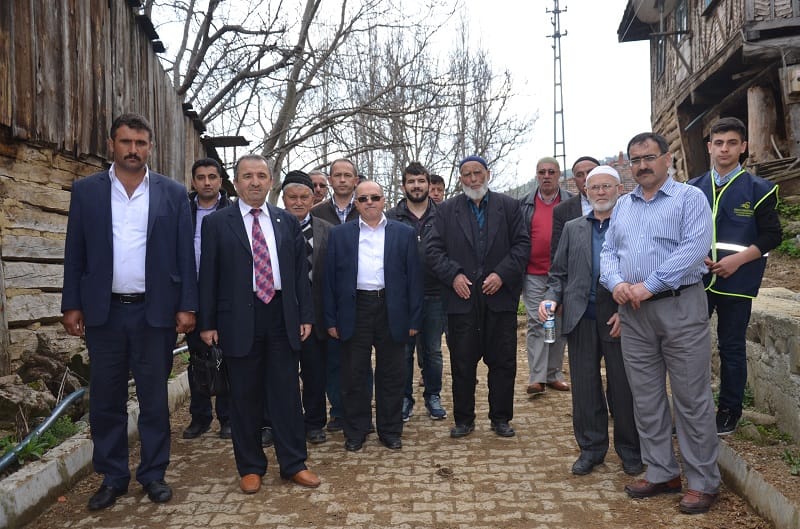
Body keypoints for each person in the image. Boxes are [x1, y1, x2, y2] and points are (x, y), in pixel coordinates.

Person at [61, 113, 197, 510]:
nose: (133, 150)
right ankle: (113, 476)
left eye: (140, 143)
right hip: (104, 313)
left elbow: (185, 254)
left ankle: (153, 474)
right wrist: (71, 303)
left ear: (150, 147)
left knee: (154, 398)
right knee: (106, 399)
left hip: (155, 313)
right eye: (126, 142)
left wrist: (187, 305)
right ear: (112, 145)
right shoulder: (87, 191)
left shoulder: (172, 193)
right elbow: (75, 250)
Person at [600, 132, 720, 515]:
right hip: (634, 315)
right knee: (646, 397)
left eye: (649, 157)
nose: (642, 165)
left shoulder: (690, 198)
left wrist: (648, 286)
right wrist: (616, 283)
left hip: (679, 306)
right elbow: (608, 251)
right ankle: (662, 471)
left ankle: (703, 481)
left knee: (691, 398)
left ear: (667, 159)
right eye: (635, 160)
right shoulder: (623, 205)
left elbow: (694, 250)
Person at [198, 154, 320, 493]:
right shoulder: (217, 223)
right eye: (248, 176)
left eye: (261, 176)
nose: (255, 182)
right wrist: (207, 323)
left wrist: (305, 315)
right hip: (238, 317)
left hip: (281, 315)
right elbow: (208, 276)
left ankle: (294, 463)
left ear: (270, 181)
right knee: (244, 396)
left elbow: (299, 275)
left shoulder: (286, 221)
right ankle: (251, 467)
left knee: (286, 395)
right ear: (236, 182)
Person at [540, 165, 641, 477]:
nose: (600, 192)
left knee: (623, 389)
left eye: (606, 186)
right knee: (585, 389)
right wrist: (551, 298)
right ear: (585, 191)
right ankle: (591, 449)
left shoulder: (631, 225)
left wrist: (627, 312)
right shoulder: (573, 228)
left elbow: (641, 271)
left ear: (620, 190)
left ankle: (630, 451)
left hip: (618, 317)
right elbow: (558, 273)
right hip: (580, 317)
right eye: (594, 187)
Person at [688, 117, 782, 436]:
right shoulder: (692, 188)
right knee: (690, 348)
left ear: (743, 147)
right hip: (696, 281)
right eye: (718, 143)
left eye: (731, 143)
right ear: (709, 147)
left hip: (738, 283)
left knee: (731, 348)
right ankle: (693, 410)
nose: (724, 149)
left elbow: (772, 235)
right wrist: (694, 256)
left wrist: (738, 261)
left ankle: (729, 410)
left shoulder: (760, 189)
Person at [427, 155, 530, 439]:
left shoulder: (509, 206)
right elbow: (432, 250)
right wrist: (453, 275)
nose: (472, 179)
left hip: (499, 298)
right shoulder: (446, 210)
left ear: (488, 174)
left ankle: (501, 418)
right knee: (462, 362)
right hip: (462, 299)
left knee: (503, 362)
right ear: (460, 178)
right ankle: (464, 419)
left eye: (477, 173)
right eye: (466, 175)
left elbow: (522, 245)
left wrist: (502, 274)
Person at [324, 180, 423, 451]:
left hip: (391, 308)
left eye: (375, 197)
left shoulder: (403, 233)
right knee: (353, 373)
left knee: (392, 373)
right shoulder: (340, 234)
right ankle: (356, 430)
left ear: (384, 200)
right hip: (354, 308)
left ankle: (390, 431)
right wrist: (330, 320)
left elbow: (415, 279)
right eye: (363, 198)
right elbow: (329, 280)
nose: (370, 202)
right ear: (355, 203)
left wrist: (414, 319)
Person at [387, 162, 447, 422]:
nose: (416, 186)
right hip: (402, 295)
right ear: (403, 186)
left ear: (428, 184)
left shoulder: (444, 214)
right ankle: (404, 399)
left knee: (433, 351)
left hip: (436, 293)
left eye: (421, 181)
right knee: (403, 351)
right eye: (411, 182)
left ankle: (433, 396)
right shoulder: (391, 217)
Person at [282, 170, 334, 443]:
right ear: (284, 198)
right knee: (283, 375)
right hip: (281, 313)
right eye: (293, 197)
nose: (299, 202)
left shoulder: (328, 230)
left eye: (304, 197)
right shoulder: (273, 227)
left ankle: (314, 423)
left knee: (315, 372)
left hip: (316, 314)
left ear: (313, 198)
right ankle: (285, 422)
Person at [183, 158, 233, 441]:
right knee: (198, 359)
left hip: (225, 294)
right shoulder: (183, 210)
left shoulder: (232, 210)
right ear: (193, 181)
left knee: (225, 358)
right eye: (200, 177)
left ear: (220, 181)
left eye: (212, 177)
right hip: (193, 293)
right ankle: (200, 417)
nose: (207, 182)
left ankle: (228, 417)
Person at [311, 158, 360, 432]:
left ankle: (359, 411)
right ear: (330, 180)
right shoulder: (317, 212)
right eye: (337, 175)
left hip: (361, 296)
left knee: (359, 362)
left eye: (347, 175)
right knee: (332, 360)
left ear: (355, 180)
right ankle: (338, 412)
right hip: (327, 296)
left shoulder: (366, 208)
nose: (342, 180)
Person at [519, 157, 573, 396]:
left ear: (559, 174)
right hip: (533, 273)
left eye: (551, 172)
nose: (546, 176)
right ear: (536, 175)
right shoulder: (524, 204)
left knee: (558, 323)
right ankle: (537, 377)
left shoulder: (571, 202)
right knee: (537, 322)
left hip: (562, 274)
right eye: (542, 172)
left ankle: (553, 374)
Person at [550, 156, 600, 262]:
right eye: (580, 175)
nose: (586, 178)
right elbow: (558, 255)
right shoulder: (562, 210)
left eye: (590, 172)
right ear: (575, 181)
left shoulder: (620, 204)